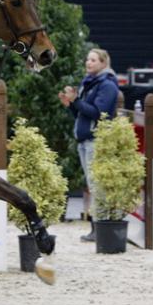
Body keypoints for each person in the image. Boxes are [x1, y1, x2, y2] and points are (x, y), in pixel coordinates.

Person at [58, 49, 119, 242]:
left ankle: (99, 227)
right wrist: (71, 106)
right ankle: (96, 227)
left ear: (103, 63)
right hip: (84, 141)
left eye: (93, 60)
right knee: (92, 185)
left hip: (96, 140)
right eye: (87, 59)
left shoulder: (107, 85)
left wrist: (76, 100)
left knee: (97, 185)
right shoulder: (88, 83)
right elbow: (81, 115)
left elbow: (98, 113)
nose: (88, 63)